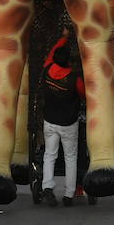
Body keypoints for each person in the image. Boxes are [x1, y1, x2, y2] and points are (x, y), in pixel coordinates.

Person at [40, 33, 84, 206]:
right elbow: (83, 95)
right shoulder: (74, 78)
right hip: (69, 122)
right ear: (69, 61)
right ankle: (69, 193)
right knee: (70, 157)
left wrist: (64, 37)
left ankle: (47, 187)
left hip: (49, 120)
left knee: (49, 155)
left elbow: (51, 53)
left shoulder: (47, 69)